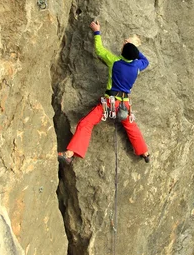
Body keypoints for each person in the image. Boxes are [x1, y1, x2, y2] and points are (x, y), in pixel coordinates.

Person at [59, 20, 150, 163]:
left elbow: (99, 49)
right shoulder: (137, 66)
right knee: (131, 126)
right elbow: (145, 61)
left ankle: (70, 154)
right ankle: (144, 152)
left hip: (109, 103)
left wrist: (97, 31)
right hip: (125, 105)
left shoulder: (114, 61)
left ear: (123, 51)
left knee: (85, 123)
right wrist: (134, 48)